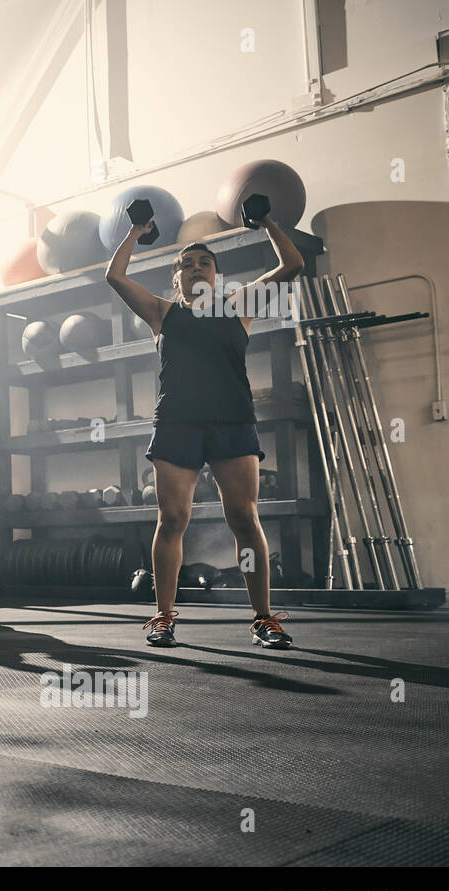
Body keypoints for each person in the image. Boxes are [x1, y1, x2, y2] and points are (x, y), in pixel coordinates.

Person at [106, 203, 303, 649]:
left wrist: (267, 222)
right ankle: (163, 617)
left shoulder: (239, 305)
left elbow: (292, 264)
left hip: (232, 422)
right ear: (176, 278)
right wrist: (137, 230)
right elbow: (114, 277)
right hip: (177, 423)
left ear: (216, 274)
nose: (195, 268)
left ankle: (262, 618)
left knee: (244, 518)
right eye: (186, 265)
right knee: (172, 518)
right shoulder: (161, 312)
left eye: (204, 262)